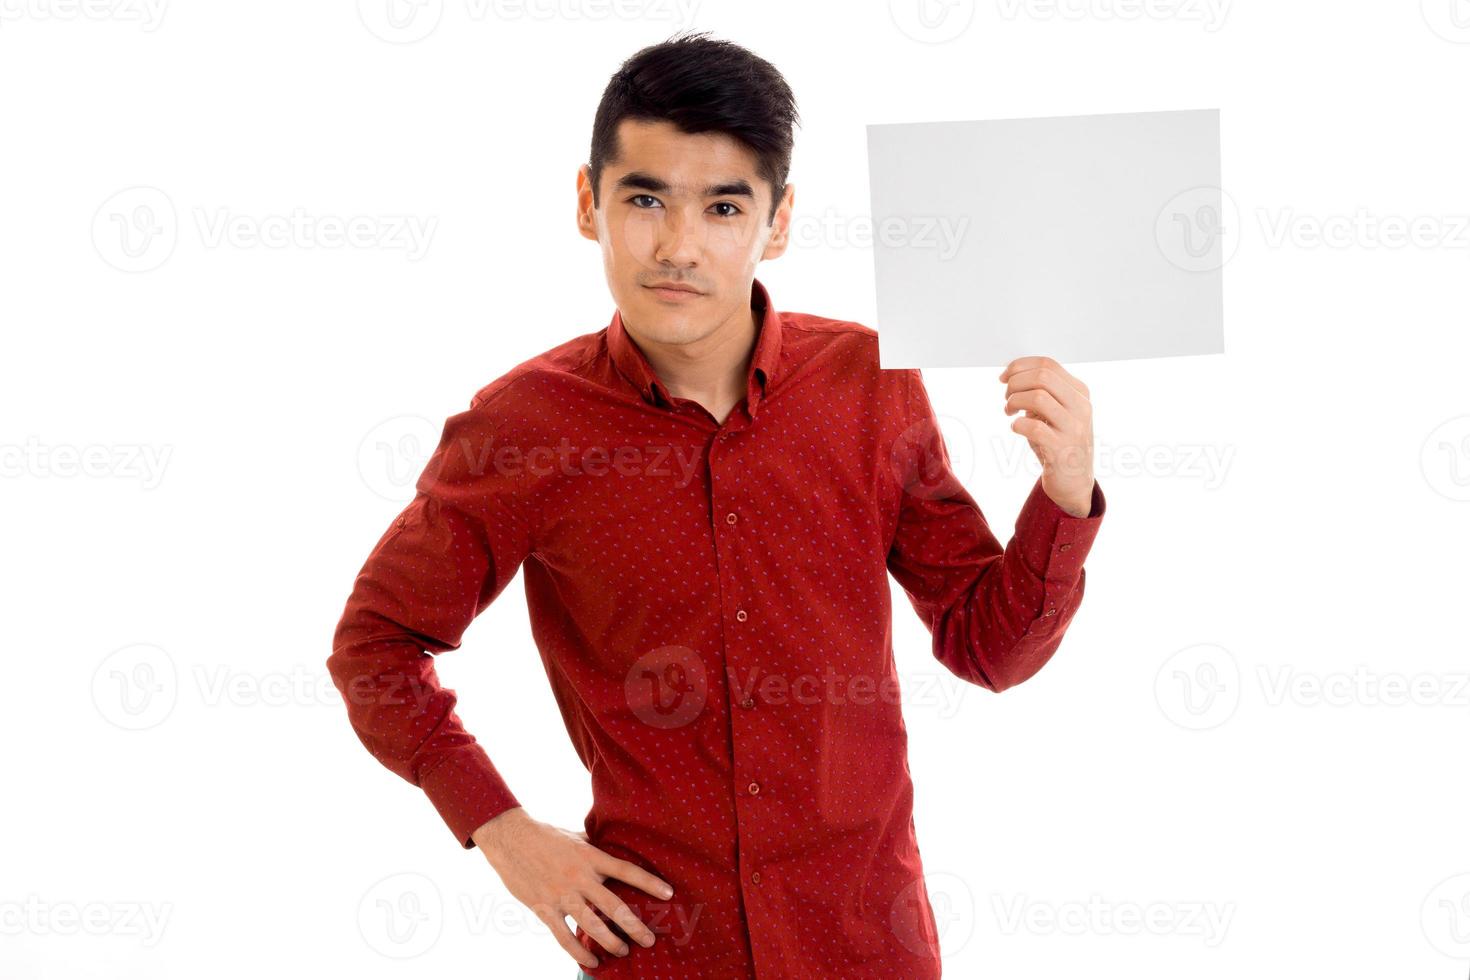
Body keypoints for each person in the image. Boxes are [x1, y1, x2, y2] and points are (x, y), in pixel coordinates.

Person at [328, 30, 1105, 978]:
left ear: (776, 223)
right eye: (645, 198)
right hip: (660, 944)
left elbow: (987, 649)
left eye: (724, 206)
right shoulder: (522, 428)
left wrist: (1063, 495)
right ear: (589, 204)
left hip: (866, 943)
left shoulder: (870, 382)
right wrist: (500, 830)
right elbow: (375, 646)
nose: (679, 247)